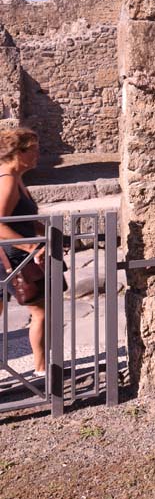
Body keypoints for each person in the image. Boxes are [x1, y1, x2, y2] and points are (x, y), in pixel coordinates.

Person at [0, 128, 45, 376]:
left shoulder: (16, 177)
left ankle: (42, 369)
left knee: (41, 310)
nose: (39, 154)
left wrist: (51, 232)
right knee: (40, 311)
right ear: (19, 151)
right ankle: (42, 371)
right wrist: (32, 246)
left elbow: (24, 218)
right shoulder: (6, 178)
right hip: (12, 257)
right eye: (34, 149)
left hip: (14, 255)